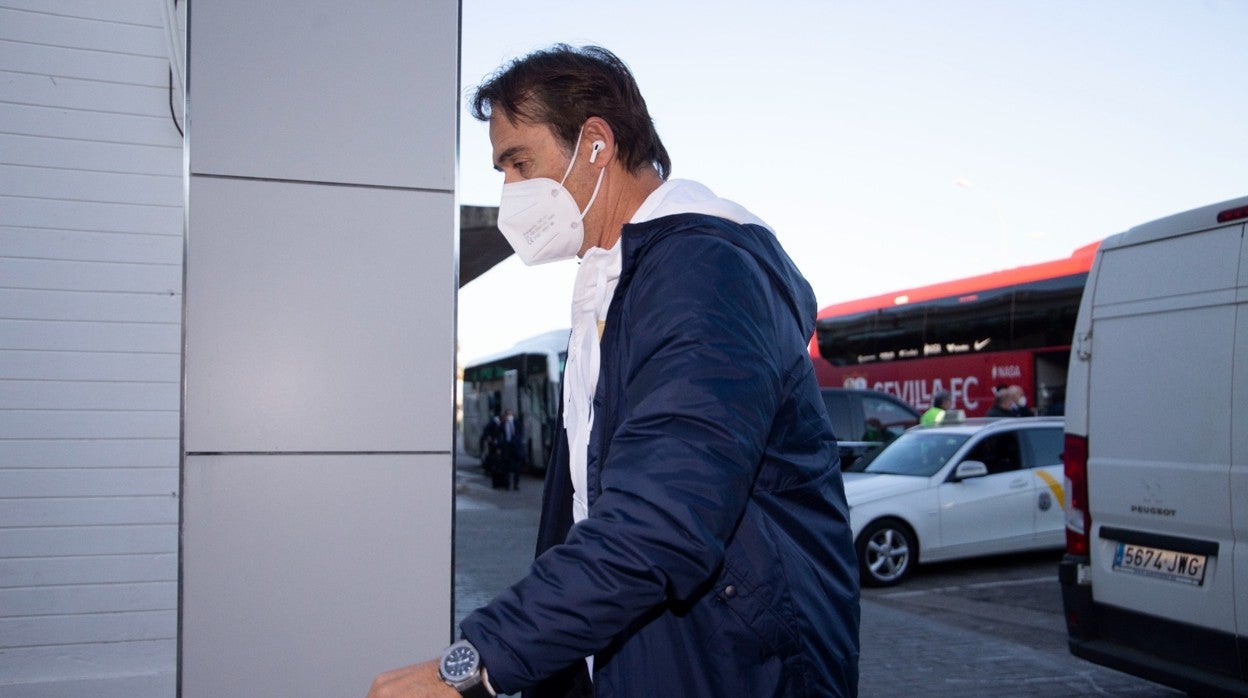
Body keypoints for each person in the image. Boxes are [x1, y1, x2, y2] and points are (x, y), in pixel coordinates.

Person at [368, 44, 859, 698]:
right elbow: (586, 511)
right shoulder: (619, 283)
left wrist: (475, 661)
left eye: (520, 163)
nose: (510, 193)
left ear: (595, 143)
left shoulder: (702, 274)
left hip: (731, 672)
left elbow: (661, 520)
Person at [499, 409, 525, 490]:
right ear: (505, 415)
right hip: (507, 447)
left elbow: (521, 433)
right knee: (506, 467)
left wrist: (518, 443)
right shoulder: (502, 424)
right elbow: (499, 435)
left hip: (516, 448)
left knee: (517, 468)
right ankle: (507, 484)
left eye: (510, 414)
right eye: (508, 414)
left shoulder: (517, 423)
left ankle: (516, 485)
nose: (509, 416)